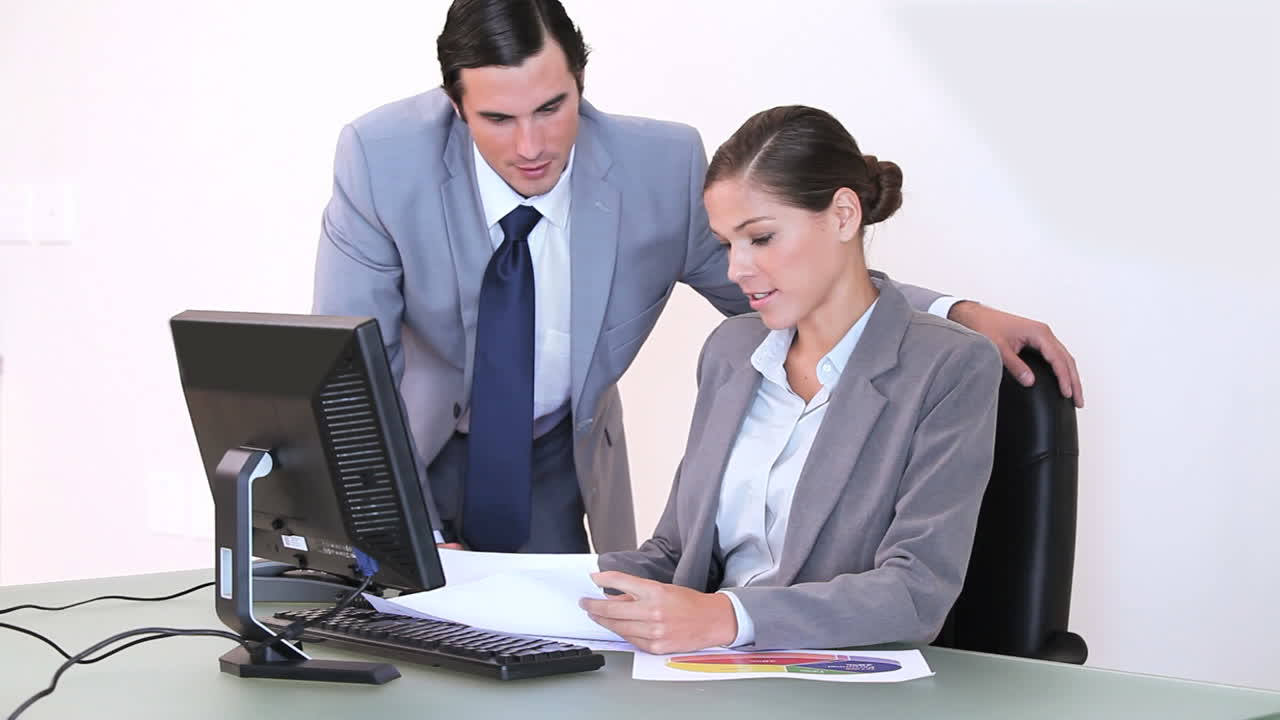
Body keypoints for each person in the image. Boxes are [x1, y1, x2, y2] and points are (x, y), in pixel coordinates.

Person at [311, 0, 1078, 555]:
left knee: (542, 670)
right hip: (403, 446)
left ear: (582, 81)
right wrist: (394, 525)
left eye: (554, 107)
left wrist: (955, 309)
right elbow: (349, 372)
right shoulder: (383, 160)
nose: (534, 144)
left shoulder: (660, 168)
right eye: (499, 120)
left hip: (552, 460)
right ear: (455, 105)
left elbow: (792, 281)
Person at [584, 106, 1002, 653]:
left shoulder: (948, 367)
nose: (737, 270)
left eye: (760, 238)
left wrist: (724, 617)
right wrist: (506, 582)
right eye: (725, 244)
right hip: (702, 678)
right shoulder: (732, 351)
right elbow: (673, 552)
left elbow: (915, 592)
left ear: (844, 215)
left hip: (832, 685)